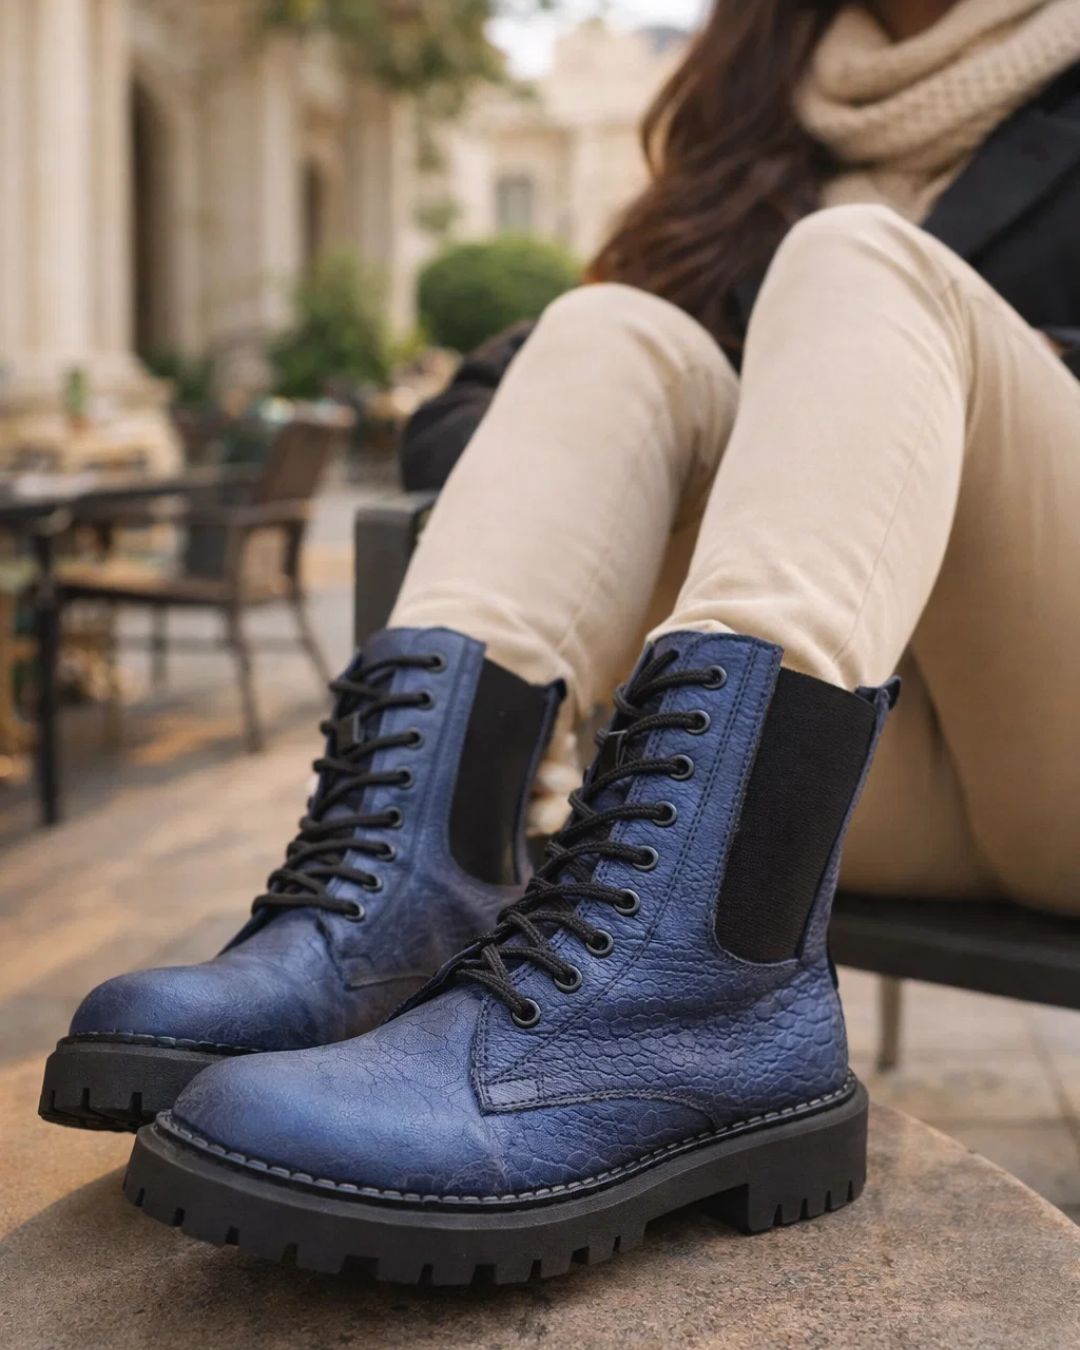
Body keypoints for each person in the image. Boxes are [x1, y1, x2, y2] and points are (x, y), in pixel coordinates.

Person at [43, 0, 1080, 1283]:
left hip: (1059, 740)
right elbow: (482, 406)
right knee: (610, 331)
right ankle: (405, 906)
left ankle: (675, 990)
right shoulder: (761, 101)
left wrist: (975, 373)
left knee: (861, 258)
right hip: (811, 794)